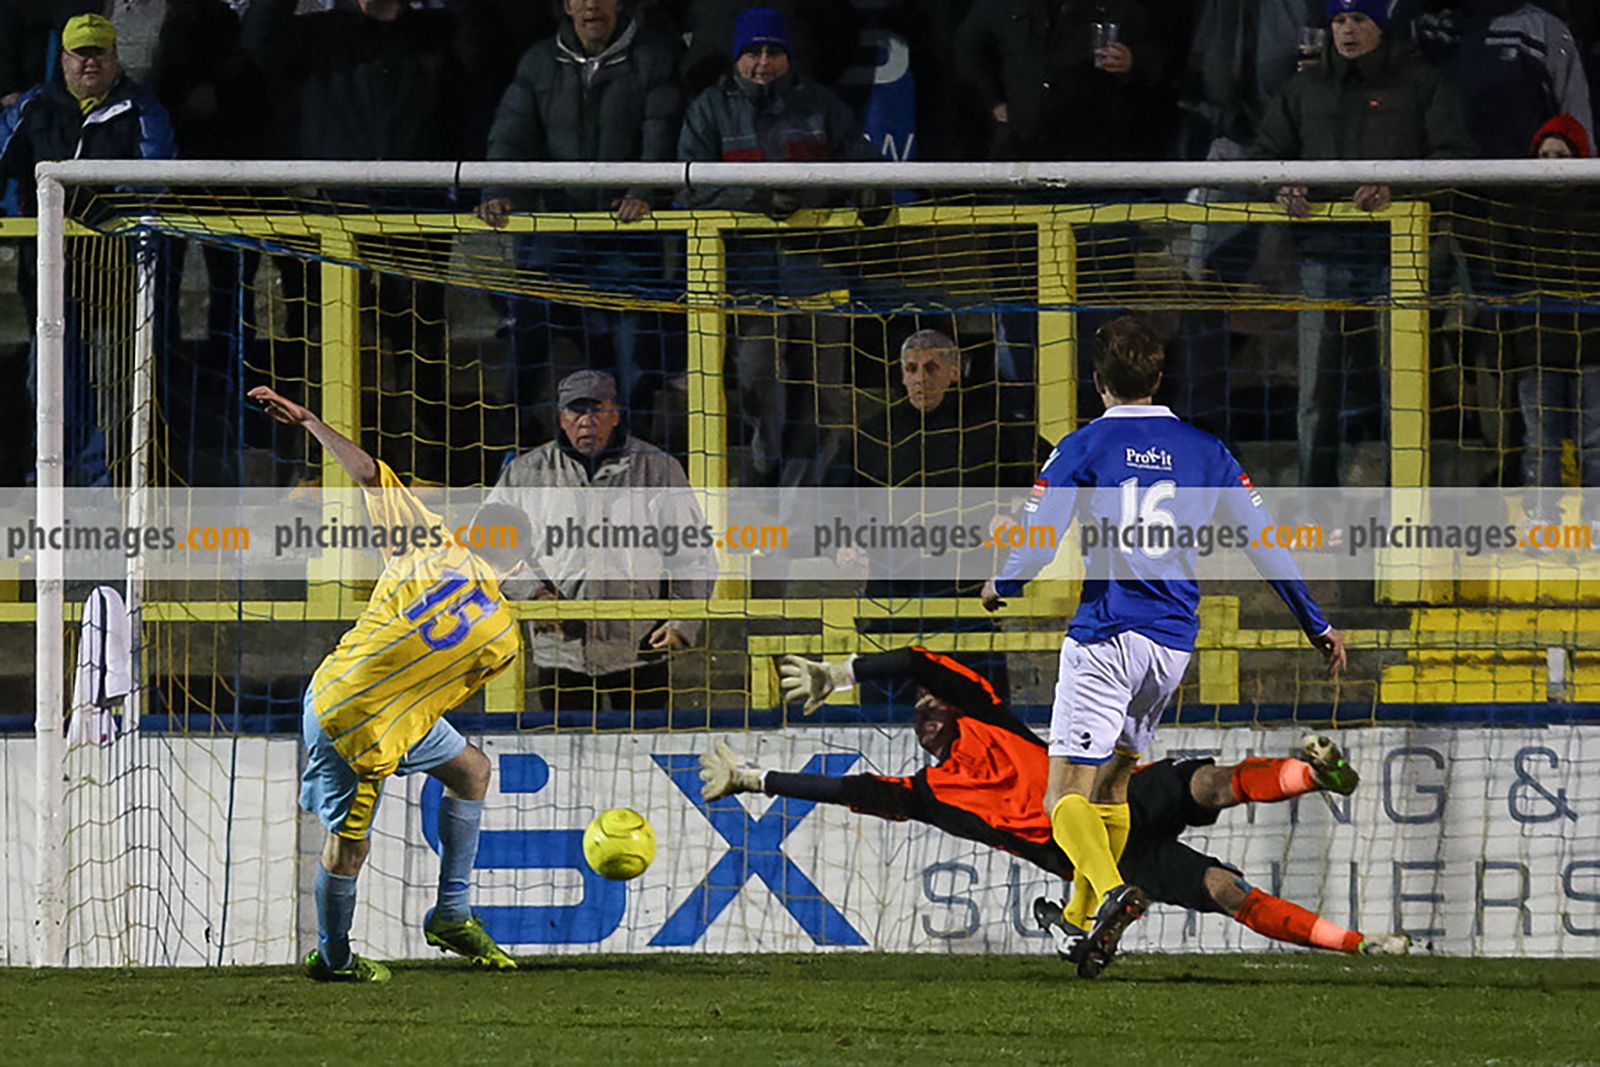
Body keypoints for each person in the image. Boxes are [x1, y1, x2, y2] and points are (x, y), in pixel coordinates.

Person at [977, 314, 1347, 978]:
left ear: (1098, 381)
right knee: (1115, 786)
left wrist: (1002, 581)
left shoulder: (1080, 446)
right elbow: (1265, 542)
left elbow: (1041, 535)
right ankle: (1082, 914)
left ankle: (1108, 891)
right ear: (1159, 376)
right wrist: (1315, 623)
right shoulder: (1208, 450)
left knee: (1062, 794)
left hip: (1107, 634)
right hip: (1171, 645)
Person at [706, 645, 1409, 967]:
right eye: (916, 711)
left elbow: (921, 659)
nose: (922, 709)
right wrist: (753, 778)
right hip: (1102, 854)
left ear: (950, 709)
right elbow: (843, 790)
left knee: (1208, 782)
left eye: (929, 703)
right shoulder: (924, 796)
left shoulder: (991, 718)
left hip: (1112, 793)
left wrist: (841, 671)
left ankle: (1313, 775)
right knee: (1228, 889)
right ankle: (1360, 944)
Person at [249, 383, 530, 983]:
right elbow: (443, 688)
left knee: (471, 769)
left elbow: (370, 474)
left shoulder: (430, 543)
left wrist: (310, 421)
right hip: (365, 726)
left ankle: (451, 913)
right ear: (521, 567)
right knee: (350, 846)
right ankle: (334, 958)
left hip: (335, 692)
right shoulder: (505, 638)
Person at [242, 0, 473, 483]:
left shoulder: (438, 33)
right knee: (320, 344)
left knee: (418, 344)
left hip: (415, 220)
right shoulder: (319, 35)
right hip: (331, 216)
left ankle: (418, 470)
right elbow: (260, 44)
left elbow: (485, 57)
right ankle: (317, 468)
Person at [1253, 0, 1475, 488]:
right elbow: (1265, 155)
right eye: (1339, 21)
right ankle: (1313, 508)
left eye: (1359, 20)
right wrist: (1281, 185)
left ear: (1381, 27)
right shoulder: (1304, 89)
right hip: (1322, 255)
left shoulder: (1420, 84)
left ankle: (1406, 504)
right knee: (1316, 396)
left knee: (1403, 389)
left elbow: (1454, 158)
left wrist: (1399, 190)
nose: (1348, 31)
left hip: (1397, 257)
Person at [677, 6, 877, 490]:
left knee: (824, 395)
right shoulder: (708, 108)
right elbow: (687, 190)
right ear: (736, 57)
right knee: (758, 382)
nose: (763, 63)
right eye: (752, 52)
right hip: (747, 271)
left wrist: (874, 186)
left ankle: (801, 504)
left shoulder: (821, 105)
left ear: (789, 56)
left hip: (818, 266)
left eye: (773, 52)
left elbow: (860, 156)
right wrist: (755, 196)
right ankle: (764, 474)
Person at [477, 0, 685, 434]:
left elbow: (660, 133)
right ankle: (512, 447)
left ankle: (632, 450)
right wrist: (498, 189)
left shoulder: (653, 57)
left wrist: (642, 193)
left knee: (636, 354)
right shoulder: (538, 62)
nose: (592, 5)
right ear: (566, 6)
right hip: (554, 234)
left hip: (624, 237)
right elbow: (511, 132)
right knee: (526, 334)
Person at [829, 328, 1052, 705]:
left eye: (931, 367)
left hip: (967, 612)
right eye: (911, 368)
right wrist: (843, 542)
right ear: (901, 374)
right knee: (883, 732)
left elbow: (1056, 480)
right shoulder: (872, 436)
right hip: (891, 611)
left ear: (954, 371)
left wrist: (1020, 521)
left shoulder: (992, 427)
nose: (920, 378)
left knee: (984, 732)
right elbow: (827, 500)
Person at [0, 13, 176, 487]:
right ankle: (49, 485)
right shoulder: (34, 107)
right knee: (50, 381)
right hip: (48, 273)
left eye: (99, 52)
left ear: (116, 57)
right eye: (81, 53)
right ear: (64, 59)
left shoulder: (142, 110)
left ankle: (109, 490)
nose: (89, 63)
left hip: (117, 270)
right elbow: (3, 161)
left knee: (119, 382)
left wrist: (103, 215)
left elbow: (156, 178)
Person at [486, 370, 714, 717]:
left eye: (597, 410)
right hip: (562, 652)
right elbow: (490, 549)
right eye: (576, 412)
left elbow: (694, 555)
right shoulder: (524, 473)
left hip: (642, 649)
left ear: (616, 414)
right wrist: (531, 593)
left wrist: (683, 623)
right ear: (561, 418)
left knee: (648, 756)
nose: (586, 422)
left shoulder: (658, 470)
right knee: (566, 757)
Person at [1499, 115, 1600, 527]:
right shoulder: (1517, 210)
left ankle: (1595, 521)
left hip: (1594, 346)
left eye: (1561, 155)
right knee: (1540, 441)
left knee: (1596, 441)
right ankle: (1542, 520)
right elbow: (1505, 277)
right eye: (1544, 155)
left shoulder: (1595, 209)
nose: (1552, 163)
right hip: (1536, 345)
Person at [955, 0, 1162, 163]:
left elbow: (1166, 54)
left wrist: (1133, 60)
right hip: (1026, 149)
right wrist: (993, 101)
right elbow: (968, 49)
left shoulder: (1119, 5)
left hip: (1098, 151)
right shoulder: (1005, 4)